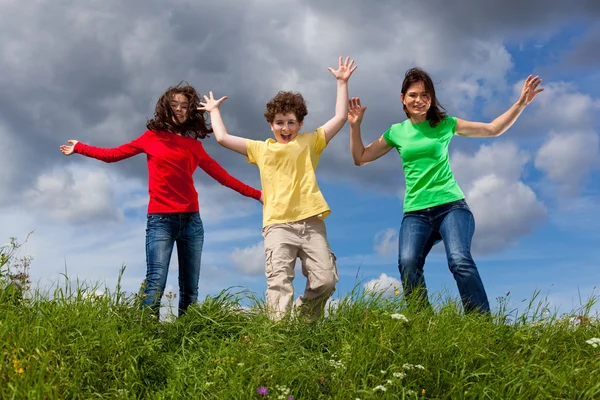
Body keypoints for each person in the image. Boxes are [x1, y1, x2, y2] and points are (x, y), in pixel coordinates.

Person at [348, 68, 543, 313]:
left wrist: (521, 103)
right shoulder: (396, 132)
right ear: (402, 99)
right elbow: (361, 158)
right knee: (408, 263)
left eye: (425, 95)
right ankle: (422, 323)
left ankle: (480, 324)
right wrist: (355, 126)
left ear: (432, 99)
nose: (419, 100)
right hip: (415, 212)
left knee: (459, 260)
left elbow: (493, 129)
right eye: (413, 95)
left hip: (451, 206)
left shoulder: (445, 124)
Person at [59, 84, 262, 317]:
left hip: (191, 222)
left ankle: (186, 335)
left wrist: (258, 194)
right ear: (165, 108)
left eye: (184, 106)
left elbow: (223, 177)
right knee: (155, 282)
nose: (179, 109)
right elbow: (113, 155)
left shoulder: (194, 147)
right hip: (161, 220)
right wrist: (80, 147)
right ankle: (145, 333)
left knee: (190, 289)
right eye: (174, 105)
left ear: (190, 112)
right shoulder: (151, 138)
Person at [198, 57, 357, 320]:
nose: (286, 128)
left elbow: (340, 117)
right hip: (278, 225)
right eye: (280, 122)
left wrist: (342, 83)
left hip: (311, 222)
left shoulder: (310, 142)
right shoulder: (261, 149)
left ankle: (306, 317)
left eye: (291, 122)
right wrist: (214, 111)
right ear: (271, 125)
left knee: (326, 280)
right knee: (279, 283)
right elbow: (223, 138)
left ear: (300, 124)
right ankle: (278, 337)